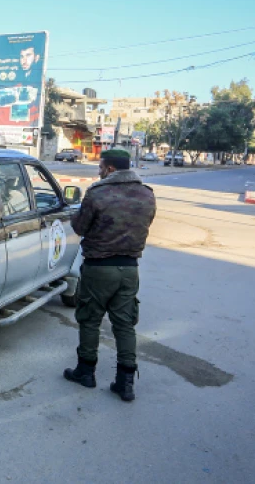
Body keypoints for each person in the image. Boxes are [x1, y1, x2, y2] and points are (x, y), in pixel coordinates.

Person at [63, 148, 156, 402]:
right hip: (129, 269)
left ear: (111, 169)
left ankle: (86, 372)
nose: (98, 171)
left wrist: (75, 214)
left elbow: (80, 227)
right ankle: (125, 383)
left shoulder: (97, 193)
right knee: (125, 325)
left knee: (90, 319)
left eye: (101, 167)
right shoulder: (147, 195)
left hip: (98, 268)